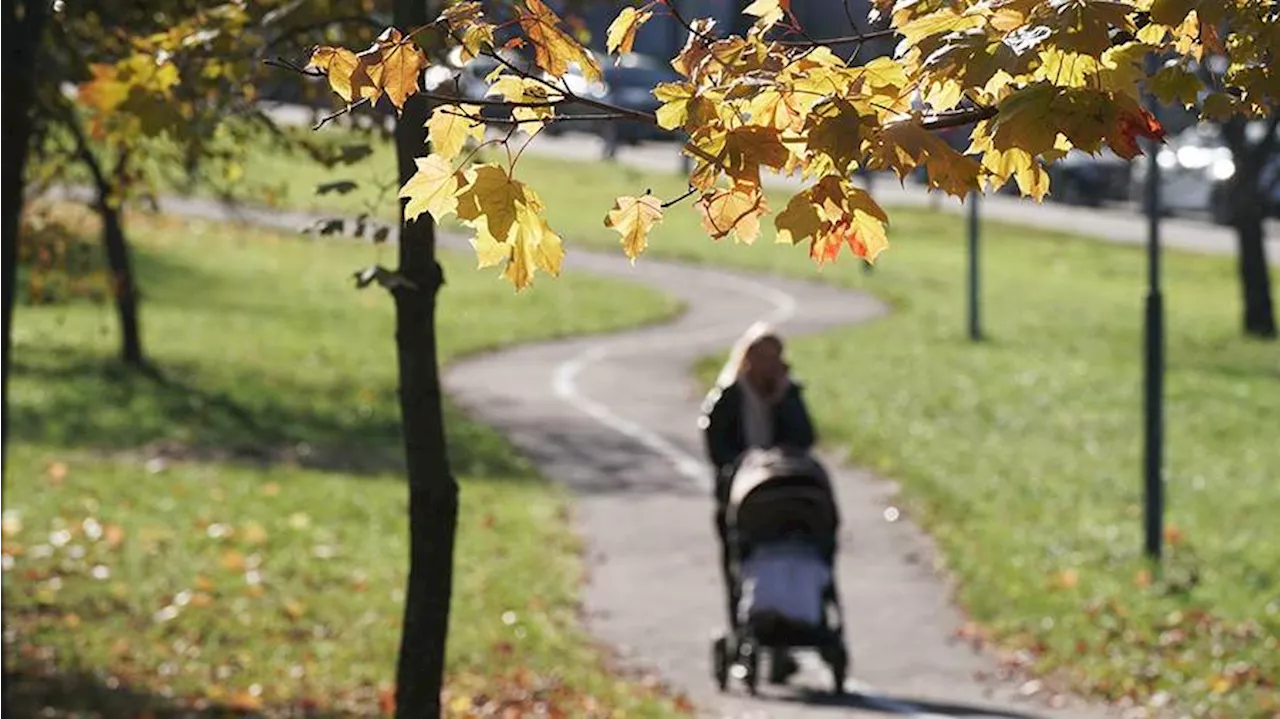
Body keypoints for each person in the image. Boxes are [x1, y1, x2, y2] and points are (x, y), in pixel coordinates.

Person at [699, 322, 817, 684]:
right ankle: (744, 631)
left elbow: (804, 439)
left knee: (790, 559)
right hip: (742, 498)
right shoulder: (729, 398)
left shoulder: (788, 395)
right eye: (761, 358)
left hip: (784, 490)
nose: (768, 366)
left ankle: (788, 639)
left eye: (775, 358)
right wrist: (743, 469)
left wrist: (783, 399)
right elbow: (717, 447)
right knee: (741, 566)